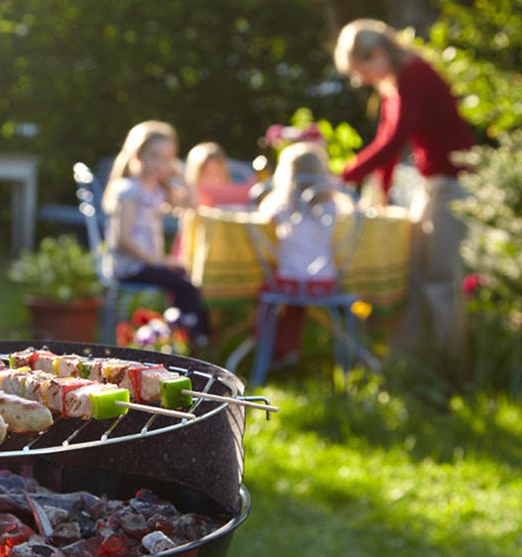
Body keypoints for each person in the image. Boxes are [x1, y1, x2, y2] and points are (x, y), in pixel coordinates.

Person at [333, 18, 475, 363]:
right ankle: (410, 359)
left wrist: (343, 176)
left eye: (361, 70)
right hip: (429, 184)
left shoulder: (415, 75)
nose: (361, 80)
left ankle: (449, 364)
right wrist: (379, 194)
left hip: (453, 184)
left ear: (377, 53)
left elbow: (393, 141)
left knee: (441, 276)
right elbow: (388, 148)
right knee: (410, 269)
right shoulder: (393, 85)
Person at [102, 120, 211, 347]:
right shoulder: (129, 190)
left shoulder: (159, 189)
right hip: (130, 266)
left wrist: (181, 175)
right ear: (138, 155)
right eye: (155, 156)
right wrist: (158, 261)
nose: (161, 164)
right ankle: (190, 337)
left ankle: (182, 334)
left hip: (149, 264)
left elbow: (193, 205)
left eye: (168, 158)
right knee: (184, 285)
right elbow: (122, 238)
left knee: (189, 279)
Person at [257, 140, 341, 365]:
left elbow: (262, 216)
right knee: (296, 301)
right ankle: (286, 347)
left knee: (265, 291)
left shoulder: (282, 204)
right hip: (324, 280)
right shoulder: (331, 205)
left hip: (290, 279)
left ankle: (264, 344)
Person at [184, 141, 256, 208]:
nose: (214, 179)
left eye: (218, 173)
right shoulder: (185, 199)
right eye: (208, 174)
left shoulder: (238, 198)